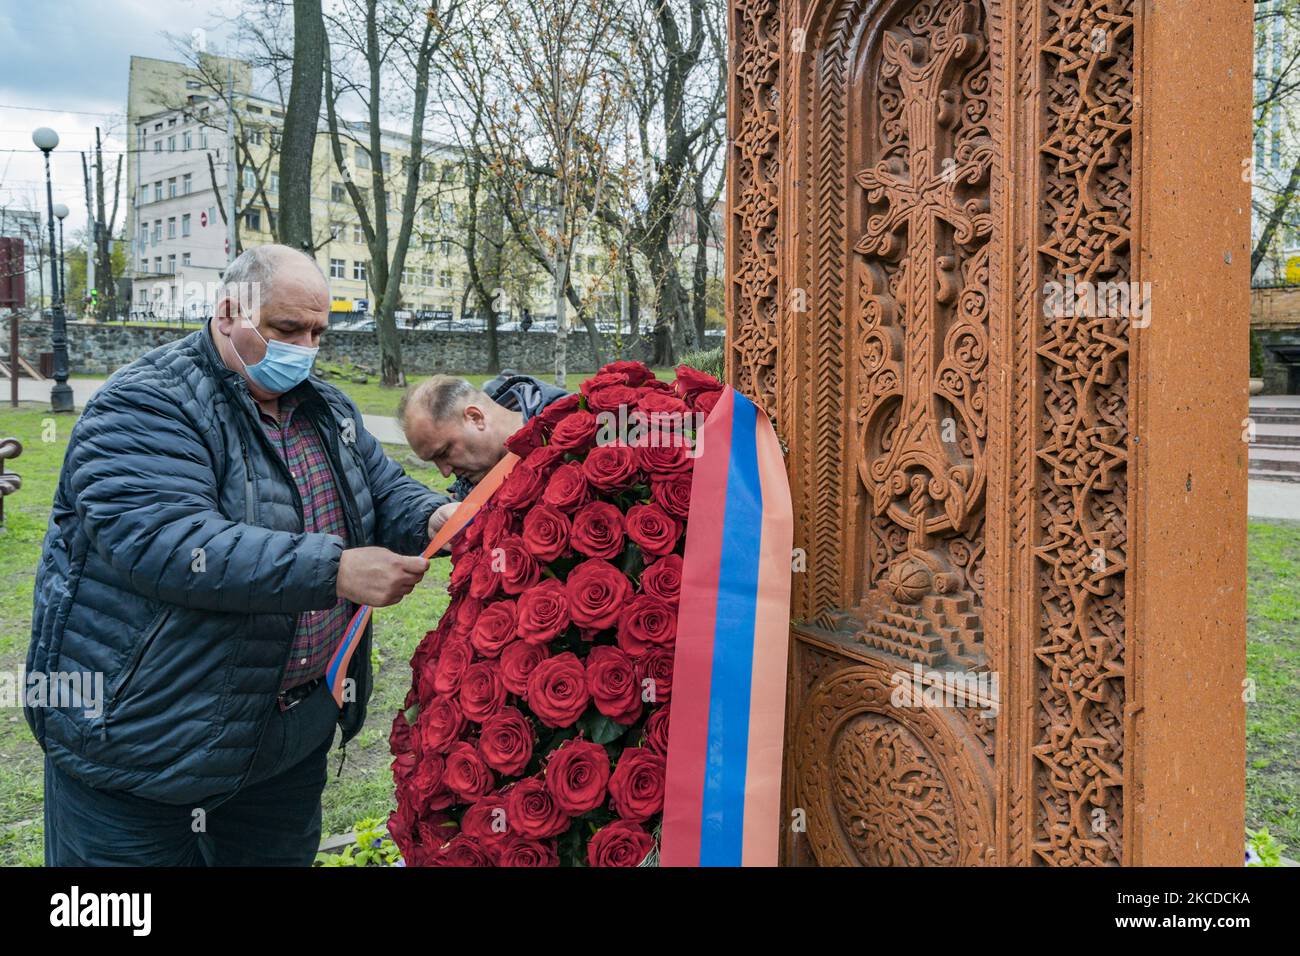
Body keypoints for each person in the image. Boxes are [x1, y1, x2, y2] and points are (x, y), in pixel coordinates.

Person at [27, 244, 450, 866]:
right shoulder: (146, 401)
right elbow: (168, 542)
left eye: (317, 332)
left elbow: (381, 487)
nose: (305, 347)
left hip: (284, 739)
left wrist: (434, 516)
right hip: (149, 736)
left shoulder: (324, 406)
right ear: (229, 312)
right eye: (287, 329)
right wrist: (334, 570)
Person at [398, 371, 567, 501]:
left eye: (444, 452)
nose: (445, 472)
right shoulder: (467, 491)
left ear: (475, 417)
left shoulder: (580, 433)